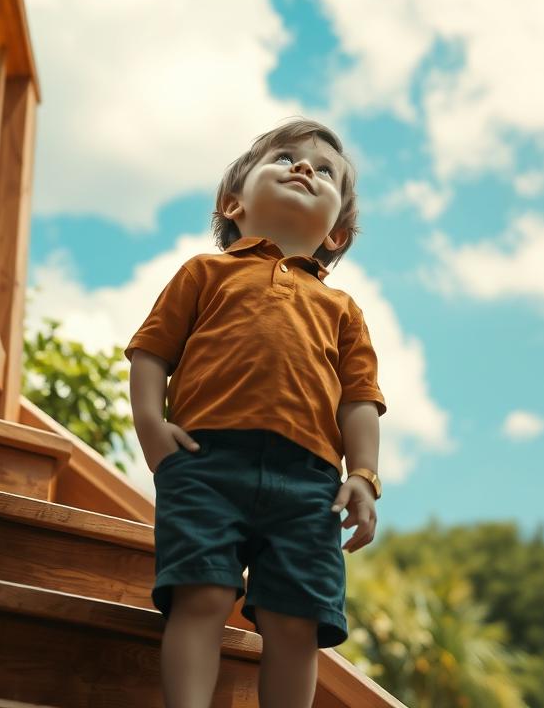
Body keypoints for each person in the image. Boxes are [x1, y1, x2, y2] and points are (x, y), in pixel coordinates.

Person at [125, 117, 387, 708]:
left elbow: (359, 399)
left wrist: (364, 476)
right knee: (203, 596)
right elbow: (151, 352)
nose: (304, 169)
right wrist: (150, 426)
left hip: (312, 482)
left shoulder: (342, 308)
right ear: (233, 202)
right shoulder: (204, 272)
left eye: (325, 173)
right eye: (286, 159)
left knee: (297, 622)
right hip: (205, 463)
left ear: (337, 234)